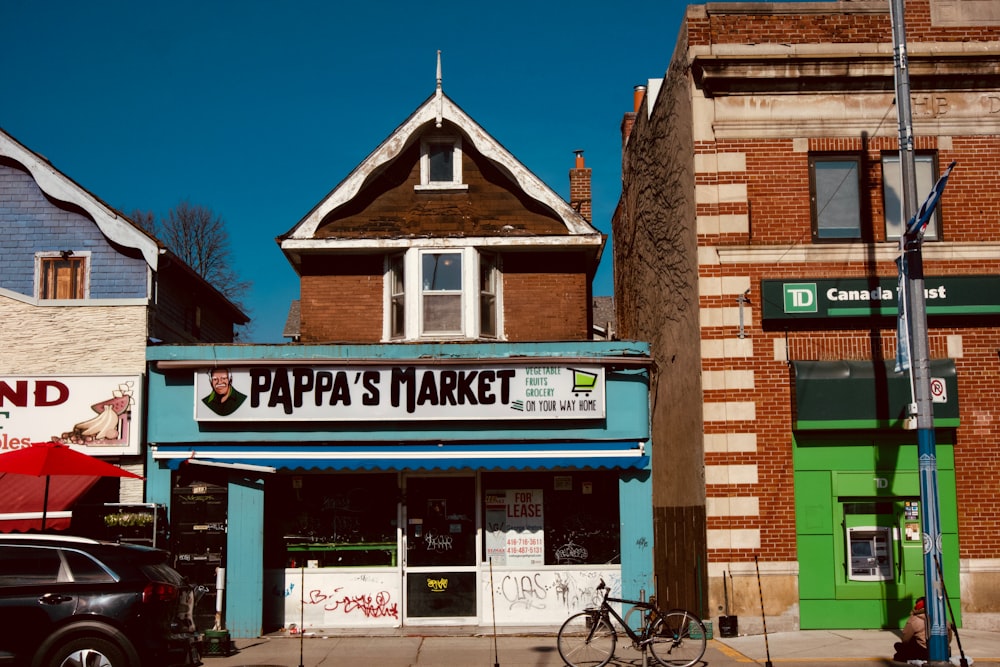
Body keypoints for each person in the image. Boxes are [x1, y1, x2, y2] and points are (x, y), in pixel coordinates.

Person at [893, 597, 952, 663]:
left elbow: (905, 640)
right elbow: (949, 639)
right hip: (945, 652)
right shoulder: (944, 619)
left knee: (898, 646)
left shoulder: (914, 620)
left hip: (924, 653)